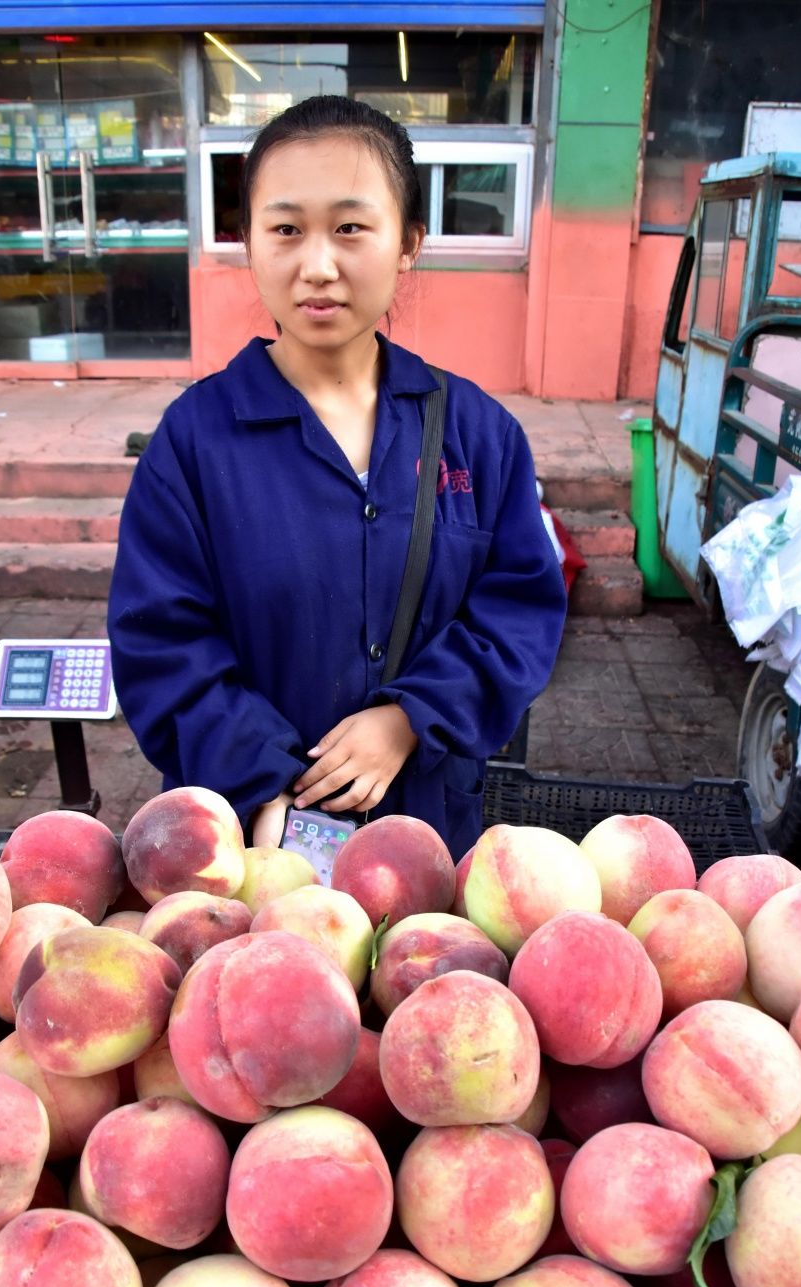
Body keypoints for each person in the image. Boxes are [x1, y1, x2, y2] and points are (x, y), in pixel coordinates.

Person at [107, 96, 567, 861]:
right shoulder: (194, 444)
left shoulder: (479, 437)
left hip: (425, 831)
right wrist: (266, 779)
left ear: (409, 242)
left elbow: (518, 611)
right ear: (249, 242)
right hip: (246, 843)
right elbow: (162, 644)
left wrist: (410, 718)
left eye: (350, 227)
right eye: (286, 229)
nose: (317, 265)